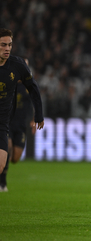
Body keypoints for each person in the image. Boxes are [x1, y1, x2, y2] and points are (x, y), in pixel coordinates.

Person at [0, 28, 44, 192]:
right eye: (3, 45)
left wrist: (38, 116)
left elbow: (33, 88)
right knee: (9, 148)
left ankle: (2, 181)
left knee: (10, 160)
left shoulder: (17, 66)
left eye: (9, 45)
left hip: (6, 123)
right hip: (9, 125)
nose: (7, 48)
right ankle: (3, 184)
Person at [0, 58, 37, 192]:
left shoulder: (29, 85)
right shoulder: (9, 81)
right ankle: (2, 183)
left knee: (15, 157)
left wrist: (35, 119)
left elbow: (34, 102)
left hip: (21, 125)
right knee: (7, 147)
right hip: (7, 123)